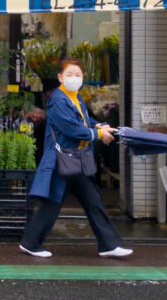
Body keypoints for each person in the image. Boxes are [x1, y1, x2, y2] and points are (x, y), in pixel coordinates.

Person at [19, 58, 132, 259]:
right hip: (61, 159)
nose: (74, 78)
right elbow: (72, 128)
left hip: (75, 160)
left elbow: (84, 120)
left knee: (93, 201)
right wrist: (98, 135)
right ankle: (30, 243)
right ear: (60, 77)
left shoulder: (75, 97)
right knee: (52, 205)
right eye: (69, 74)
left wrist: (99, 126)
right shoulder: (58, 100)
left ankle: (109, 244)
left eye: (78, 75)